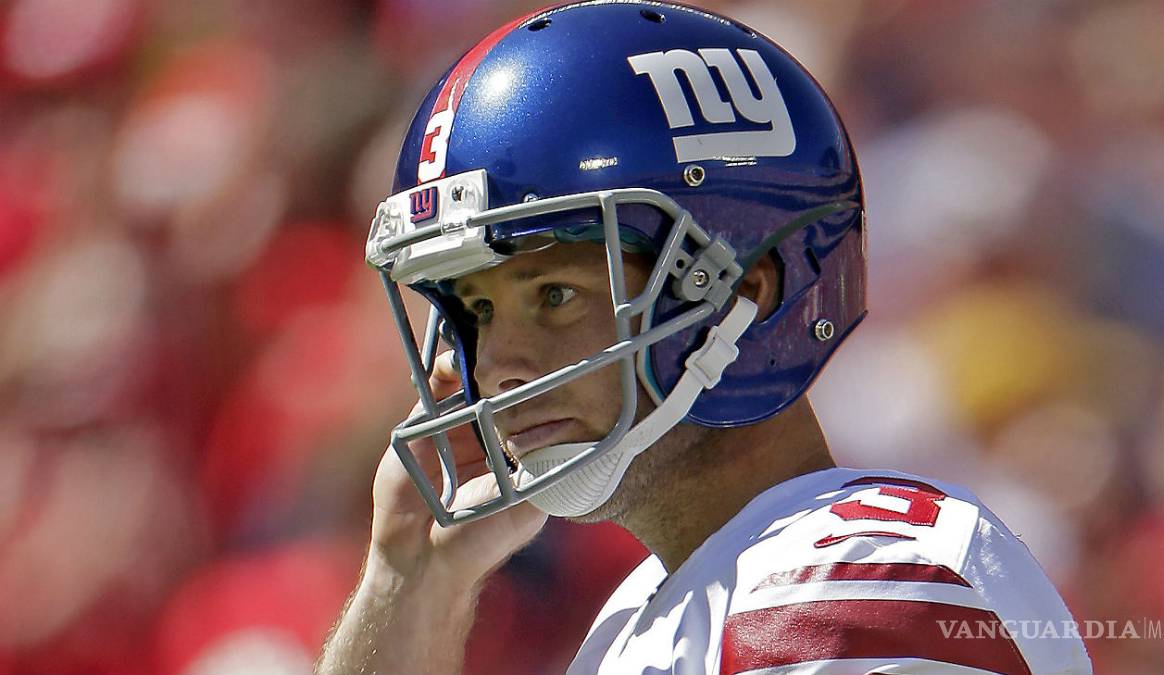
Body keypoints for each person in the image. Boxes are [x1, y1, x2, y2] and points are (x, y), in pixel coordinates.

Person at [316, 2, 1093, 673]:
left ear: (744, 296)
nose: (494, 368)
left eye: (554, 295)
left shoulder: (854, 580)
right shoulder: (650, 610)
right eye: (479, 313)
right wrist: (410, 584)